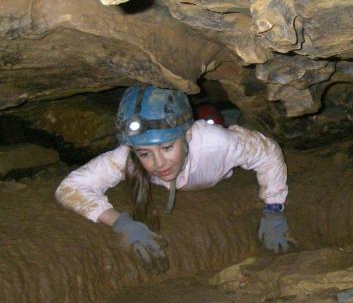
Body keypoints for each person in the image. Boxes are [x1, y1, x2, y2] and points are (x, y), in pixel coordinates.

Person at [55, 85, 295, 274]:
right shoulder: (128, 156)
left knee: (229, 122)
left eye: (167, 147)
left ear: (187, 135)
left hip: (220, 164)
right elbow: (70, 188)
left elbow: (268, 153)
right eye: (145, 153)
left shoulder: (219, 143)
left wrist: (274, 207)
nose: (159, 164)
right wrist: (119, 222)